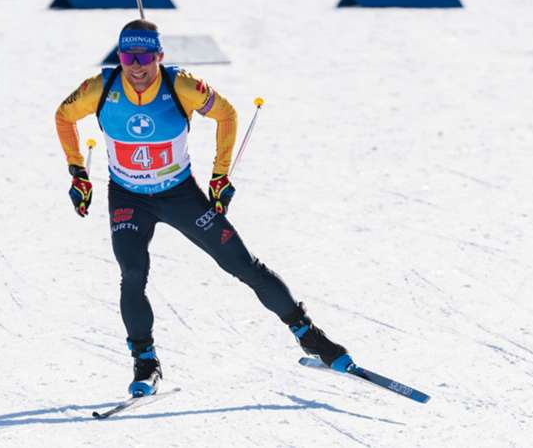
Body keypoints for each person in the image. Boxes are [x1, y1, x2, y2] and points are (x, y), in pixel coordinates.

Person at [55, 19, 353, 397]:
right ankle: (145, 362)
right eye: (128, 56)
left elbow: (226, 114)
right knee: (132, 273)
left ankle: (308, 334)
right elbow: (64, 117)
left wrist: (220, 175)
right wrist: (78, 173)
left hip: (180, 195)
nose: (137, 66)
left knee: (243, 265)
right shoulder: (102, 87)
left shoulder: (180, 85)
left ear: (160, 56)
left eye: (145, 55)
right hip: (128, 198)